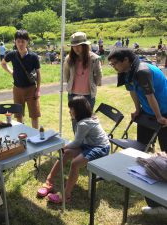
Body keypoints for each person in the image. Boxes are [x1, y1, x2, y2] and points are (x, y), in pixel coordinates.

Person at [108, 48, 167, 215]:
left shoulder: (142, 71)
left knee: (165, 157)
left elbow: (150, 96)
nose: (114, 67)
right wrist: (137, 110)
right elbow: (133, 91)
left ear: (126, 59)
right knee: (142, 153)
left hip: (163, 112)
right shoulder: (127, 71)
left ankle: (164, 204)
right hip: (149, 113)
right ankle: (154, 202)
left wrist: (159, 117)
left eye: (115, 64)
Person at [36, 96, 110, 204]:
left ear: (78, 111)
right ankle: (49, 181)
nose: (69, 111)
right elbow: (78, 142)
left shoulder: (83, 124)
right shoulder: (88, 118)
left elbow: (76, 143)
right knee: (65, 153)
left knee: (75, 164)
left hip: (100, 148)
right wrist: (65, 148)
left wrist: (62, 146)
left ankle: (66, 196)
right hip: (89, 145)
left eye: (71, 109)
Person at [1, 29, 41, 129]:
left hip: (31, 89)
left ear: (27, 41)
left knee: (34, 115)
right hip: (17, 89)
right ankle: (21, 133)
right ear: (15, 41)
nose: (20, 44)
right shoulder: (12, 54)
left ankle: (35, 135)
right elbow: (3, 63)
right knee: (18, 114)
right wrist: (11, 72)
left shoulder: (33, 57)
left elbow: (39, 74)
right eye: (18, 41)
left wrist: (38, 89)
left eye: (23, 41)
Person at [64, 31, 102, 110]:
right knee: (74, 119)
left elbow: (99, 75)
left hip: (88, 95)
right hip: (73, 94)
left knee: (87, 120)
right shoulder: (69, 58)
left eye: (79, 45)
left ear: (85, 45)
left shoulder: (94, 59)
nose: (76, 48)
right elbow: (66, 75)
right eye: (74, 46)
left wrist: (94, 84)